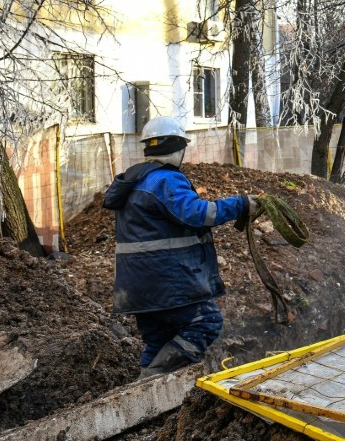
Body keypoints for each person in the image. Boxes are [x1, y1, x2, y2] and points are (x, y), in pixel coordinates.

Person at [103, 116, 257, 378]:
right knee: (207, 323)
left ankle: (142, 401)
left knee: (159, 341)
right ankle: (149, 380)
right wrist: (240, 204)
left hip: (138, 287)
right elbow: (198, 214)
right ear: (178, 147)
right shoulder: (165, 180)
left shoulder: (134, 181)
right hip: (167, 283)